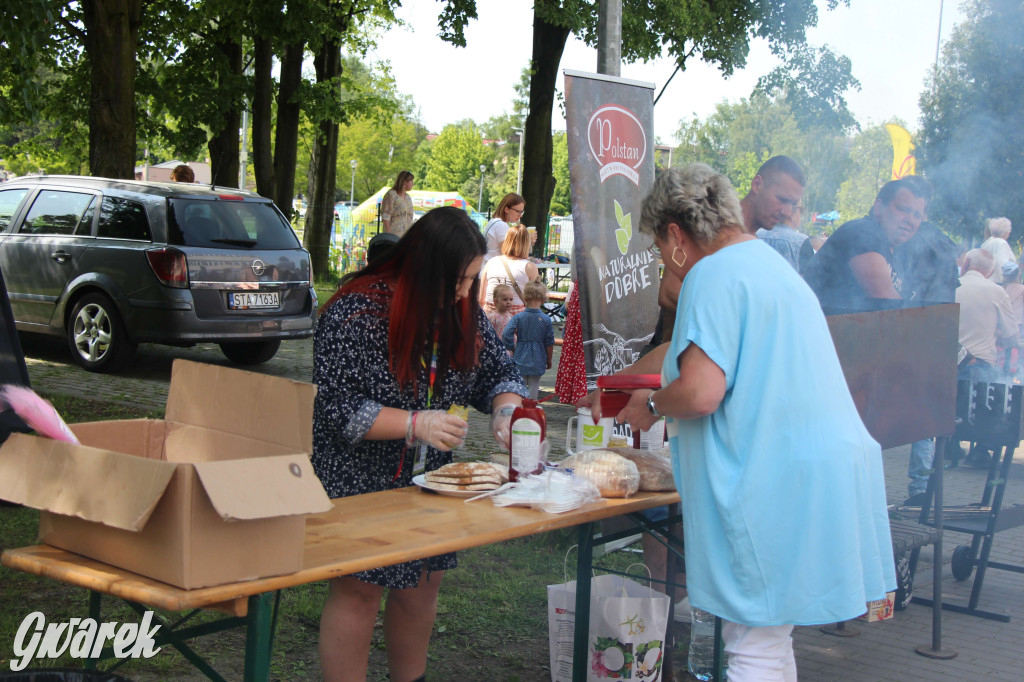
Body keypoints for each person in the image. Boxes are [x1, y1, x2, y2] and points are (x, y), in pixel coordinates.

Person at [584, 164, 895, 681]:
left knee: (751, 641)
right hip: (822, 468)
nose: (662, 260)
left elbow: (701, 392)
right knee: (769, 638)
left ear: (676, 235)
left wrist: (652, 405)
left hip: (776, 479)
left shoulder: (713, 273)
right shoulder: (767, 265)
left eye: (659, 247)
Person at [312, 206, 527, 682]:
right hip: (358, 478)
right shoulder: (357, 311)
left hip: (432, 480)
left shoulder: (461, 308)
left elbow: (500, 372)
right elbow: (336, 408)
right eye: (458, 280)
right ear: (426, 269)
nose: (464, 293)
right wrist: (414, 423)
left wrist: (507, 409)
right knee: (360, 591)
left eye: (471, 280)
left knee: (422, 586)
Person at [892, 175, 958, 505]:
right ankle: (920, 488)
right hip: (937, 334)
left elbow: (901, 285)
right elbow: (950, 290)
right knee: (925, 414)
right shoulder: (944, 242)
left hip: (907, 329)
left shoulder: (906, 238)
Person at [804, 178, 928, 309]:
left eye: (917, 215)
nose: (910, 220)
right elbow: (888, 303)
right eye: (903, 209)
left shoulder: (896, 250)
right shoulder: (861, 233)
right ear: (879, 207)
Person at [956, 249, 1018, 469]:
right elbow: (1011, 335)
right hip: (979, 361)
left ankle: (949, 448)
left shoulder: (950, 287)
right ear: (990, 271)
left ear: (965, 265)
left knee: (951, 407)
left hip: (947, 359)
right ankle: (980, 452)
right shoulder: (995, 291)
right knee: (983, 409)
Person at [502, 281, 554, 399]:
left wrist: (511, 347)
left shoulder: (519, 317)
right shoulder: (546, 319)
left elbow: (506, 333)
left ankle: (518, 404)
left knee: (519, 385)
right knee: (534, 386)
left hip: (520, 355)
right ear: (543, 299)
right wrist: (549, 359)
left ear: (524, 298)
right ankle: (531, 406)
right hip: (538, 358)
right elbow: (549, 342)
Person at [479, 225, 539, 315]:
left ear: (506, 241)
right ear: (527, 244)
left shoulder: (491, 262)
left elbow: (481, 299)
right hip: (516, 317)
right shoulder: (530, 267)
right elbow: (534, 303)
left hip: (490, 314)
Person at [739, 155, 806, 235]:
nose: (787, 213)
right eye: (782, 200)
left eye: (793, 204)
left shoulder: (746, 238)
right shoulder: (726, 233)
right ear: (757, 185)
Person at [756, 203, 812, 273]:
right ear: (791, 213)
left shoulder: (755, 235)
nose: (801, 216)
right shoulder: (802, 241)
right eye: (800, 211)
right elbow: (809, 275)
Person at [482, 193, 525, 263]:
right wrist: (526, 240)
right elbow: (508, 254)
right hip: (492, 267)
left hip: (486, 265)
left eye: (522, 212)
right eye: (518, 211)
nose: (520, 215)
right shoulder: (501, 225)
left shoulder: (494, 221)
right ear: (507, 209)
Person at [980, 217, 1015, 284]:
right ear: (1006, 233)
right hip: (998, 283)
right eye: (1009, 231)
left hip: (985, 281)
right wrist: (1005, 281)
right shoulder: (1001, 243)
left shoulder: (986, 243)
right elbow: (1001, 263)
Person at [381, 170, 415, 237]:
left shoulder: (408, 197)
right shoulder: (391, 195)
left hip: (406, 236)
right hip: (394, 235)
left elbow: (410, 217)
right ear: (404, 182)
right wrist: (389, 236)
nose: (412, 184)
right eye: (411, 181)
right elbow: (385, 217)